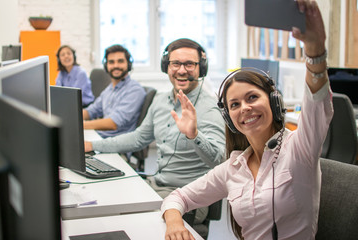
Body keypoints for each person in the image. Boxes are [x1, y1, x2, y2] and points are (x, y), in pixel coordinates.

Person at [161, 1, 334, 240]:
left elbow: (317, 103)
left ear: (274, 101)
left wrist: (315, 50)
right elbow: (176, 197)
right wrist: (174, 223)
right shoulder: (234, 167)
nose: (245, 108)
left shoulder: (299, 149)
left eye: (252, 97)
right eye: (234, 104)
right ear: (229, 118)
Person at [85, 38, 225, 222]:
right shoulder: (160, 100)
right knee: (99, 201)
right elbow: (138, 138)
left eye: (190, 64)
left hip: (187, 199)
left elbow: (219, 161)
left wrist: (194, 135)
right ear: (166, 66)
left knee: (117, 218)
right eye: (175, 63)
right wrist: (93, 145)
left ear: (201, 68)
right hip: (156, 184)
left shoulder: (209, 109)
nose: (182, 70)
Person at [83, 44, 146, 138]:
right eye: (111, 62)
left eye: (120, 61)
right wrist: (71, 117)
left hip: (116, 146)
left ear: (128, 64)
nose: (116, 65)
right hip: (101, 138)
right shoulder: (109, 90)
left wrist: (80, 125)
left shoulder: (135, 90)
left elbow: (113, 123)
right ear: (106, 65)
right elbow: (91, 111)